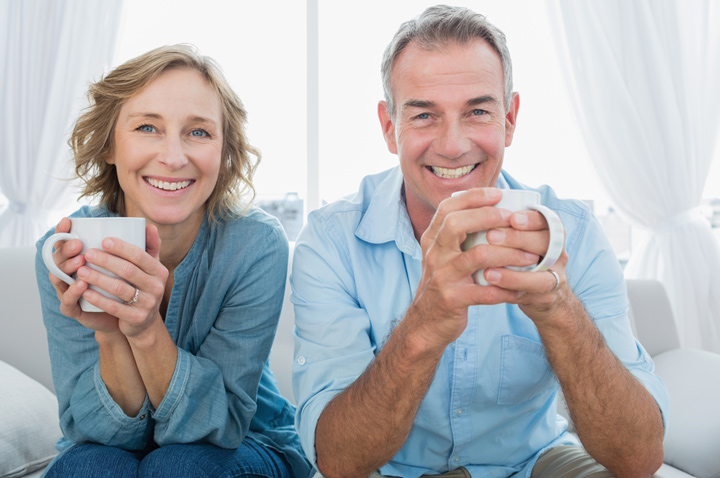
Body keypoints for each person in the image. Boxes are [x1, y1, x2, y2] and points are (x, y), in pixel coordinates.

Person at [291, 5, 668, 478]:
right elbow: (339, 461)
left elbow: (638, 458)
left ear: (509, 118)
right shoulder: (331, 243)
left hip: (533, 463)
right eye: (425, 115)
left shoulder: (574, 232)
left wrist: (558, 311)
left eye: (478, 111)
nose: (452, 145)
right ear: (391, 127)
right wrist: (425, 324)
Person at [35, 44, 312, 478]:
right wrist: (110, 337)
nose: (174, 156)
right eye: (148, 127)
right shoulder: (62, 253)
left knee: (178, 466)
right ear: (109, 145)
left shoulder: (255, 244)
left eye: (199, 132)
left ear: (224, 154)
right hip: (107, 447)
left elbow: (221, 426)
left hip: (248, 440)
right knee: (87, 468)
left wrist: (145, 331)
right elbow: (98, 431)